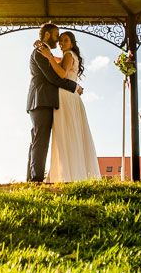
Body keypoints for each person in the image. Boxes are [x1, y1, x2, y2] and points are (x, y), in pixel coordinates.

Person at [35, 30, 101, 183]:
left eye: (65, 40)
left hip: (65, 96)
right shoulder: (69, 56)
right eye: (60, 41)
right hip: (72, 97)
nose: (62, 43)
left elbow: (62, 74)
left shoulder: (69, 55)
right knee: (72, 133)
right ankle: (71, 173)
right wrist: (44, 48)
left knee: (66, 134)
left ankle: (67, 174)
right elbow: (58, 61)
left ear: (72, 43)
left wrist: (49, 56)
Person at [27, 22, 82, 182]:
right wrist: (75, 86)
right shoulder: (40, 52)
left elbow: (58, 67)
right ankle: (35, 179)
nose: (58, 40)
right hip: (40, 101)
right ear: (47, 35)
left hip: (45, 101)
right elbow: (53, 77)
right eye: (56, 35)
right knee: (40, 140)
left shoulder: (46, 52)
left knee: (38, 139)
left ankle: (32, 178)